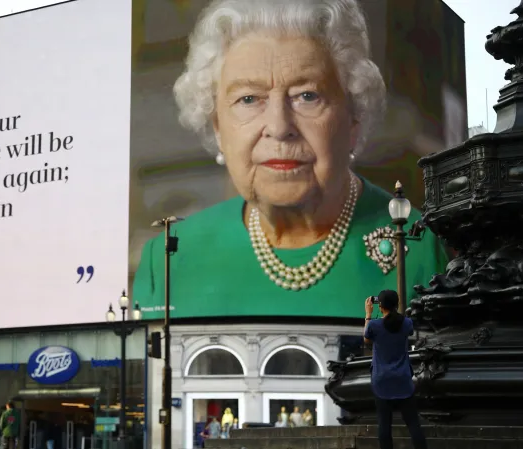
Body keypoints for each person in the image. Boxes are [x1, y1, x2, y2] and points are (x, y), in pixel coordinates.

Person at [132, 0, 447, 320]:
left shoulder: (422, 248)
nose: (280, 128)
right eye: (249, 99)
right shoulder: (169, 258)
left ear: (353, 117)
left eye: (307, 96)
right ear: (217, 128)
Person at [364, 290, 427, 449]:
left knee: (384, 425)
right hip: (403, 379)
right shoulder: (407, 323)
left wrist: (368, 314)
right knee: (413, 423)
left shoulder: (374, 325)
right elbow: (408, 330)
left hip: (382, 381)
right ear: (397, 304)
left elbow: (366, 340)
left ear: (381, 306)